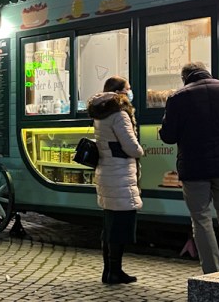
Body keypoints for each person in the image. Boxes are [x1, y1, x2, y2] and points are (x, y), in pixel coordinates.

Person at [159, 62, 219, 274]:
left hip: (194, 167)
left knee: (201, 219)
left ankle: (212, 273)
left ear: (184, 78)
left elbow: (168, 136)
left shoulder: (178, 97)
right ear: (206, 72)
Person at [86, 76, 145, 284]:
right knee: (120, 226)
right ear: (119, 92)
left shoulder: (101, 113)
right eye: (128, 88)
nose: (130, 92)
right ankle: (114, 272)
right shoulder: (119, 114)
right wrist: (140, 151)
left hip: (107, 172)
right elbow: (131, 146)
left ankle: (109, 270)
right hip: (120, 175)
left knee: (110, 225)